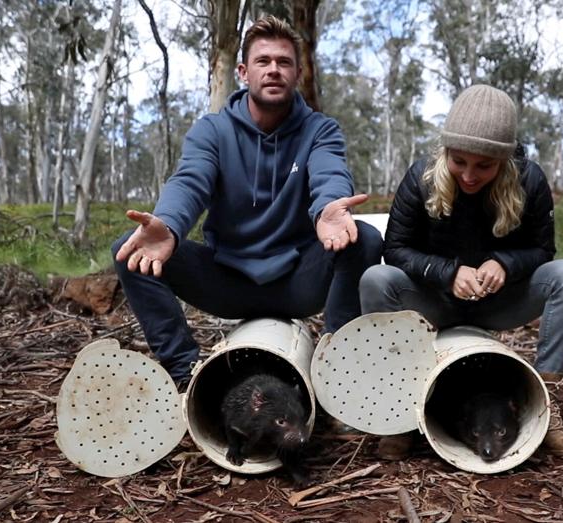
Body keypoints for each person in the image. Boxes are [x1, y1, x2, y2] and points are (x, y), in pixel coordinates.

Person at [112, 16, 382, 391]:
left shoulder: (320, 130)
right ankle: (188, 377)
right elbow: (190, 181)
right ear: (243, 71)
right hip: (228, 279)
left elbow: (329, 174)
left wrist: (327, 209)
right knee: (130, 250)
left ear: (298, 73)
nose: (274, 70)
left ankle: (335, 374)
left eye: (284, 62)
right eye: (263, 61)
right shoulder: (213, 130)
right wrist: (169, 224)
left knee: (364, 239)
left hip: (296, 280)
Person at [360, 84, 563, 458]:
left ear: (506, 159)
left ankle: (545, 404)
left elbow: (543, 250)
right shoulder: (421, 177)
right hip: (435, 300)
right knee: (376, 279)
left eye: (484, 165)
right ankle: (399, 410)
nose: (469, 175)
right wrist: (447, 272)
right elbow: (395, 250)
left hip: (498, 302)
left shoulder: (529, 180)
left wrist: (505, 263)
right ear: (445, 151)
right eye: (459, 161)